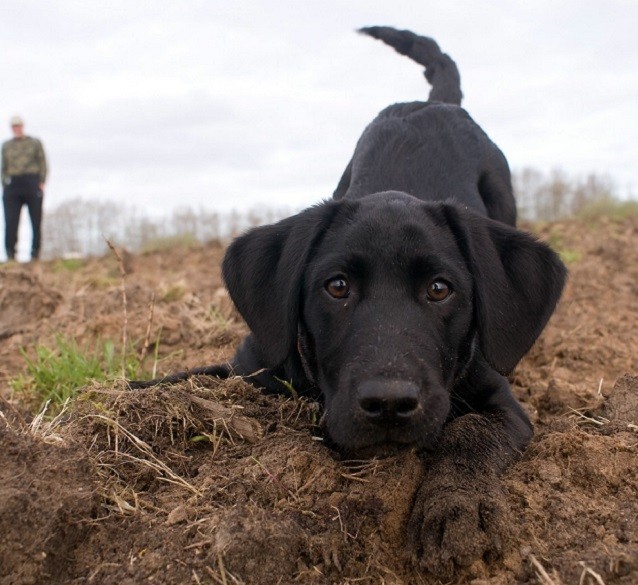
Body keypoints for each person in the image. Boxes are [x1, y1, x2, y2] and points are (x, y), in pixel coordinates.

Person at [2, 115, 47, 261]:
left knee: (36, 220)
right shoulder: (6, 146)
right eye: (14, 126)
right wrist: (5, 183)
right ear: (11, 128)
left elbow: (43, 162)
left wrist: (41, 181)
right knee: (11, 221)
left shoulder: (34, 143)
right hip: (13, 185)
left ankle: (35, 254)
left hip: (31, 182)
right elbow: (3, 167)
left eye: (18, 125)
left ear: (23, 126)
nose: (17, 128)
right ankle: (10, 254)